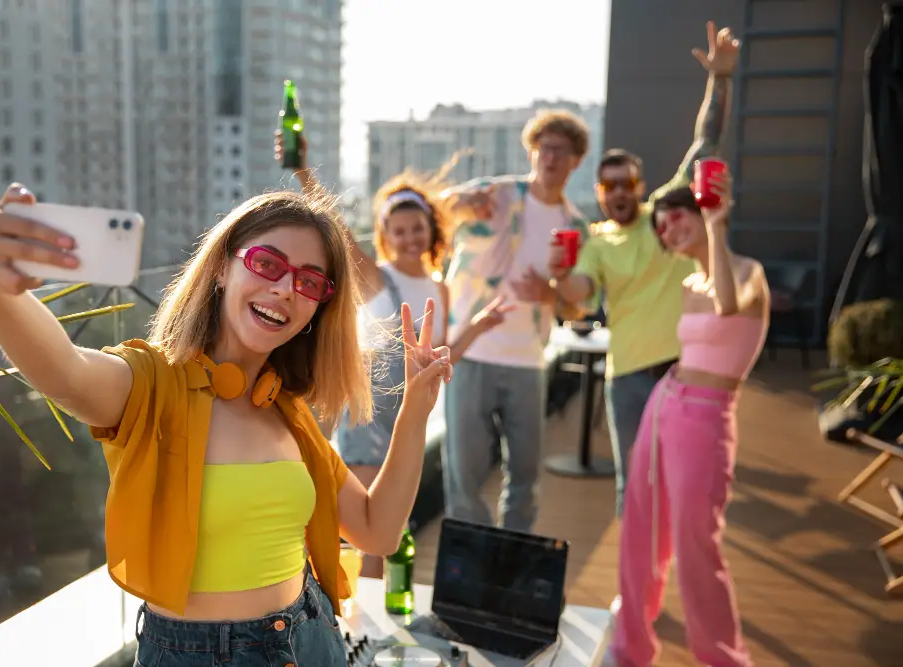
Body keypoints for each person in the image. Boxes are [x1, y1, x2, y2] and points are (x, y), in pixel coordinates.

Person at [0, 182, 452, 667]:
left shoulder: (287, 412)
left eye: (309, 281)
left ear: (319, 307)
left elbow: (377, 531)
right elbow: (66, 373)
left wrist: (416, 409)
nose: (283, 290)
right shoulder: (152, 387)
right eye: (267, 263)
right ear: (221, 269)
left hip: (312, 637)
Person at [275, 133, 513, 577]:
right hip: (367, 416)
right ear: (384, 236)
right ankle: (358, 628)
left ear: (431, 230)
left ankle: (366, 623)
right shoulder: (375, 279)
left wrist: (476, 327)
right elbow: (336, 229)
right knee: (370, 534)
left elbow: (440, 360)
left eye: (416, 228)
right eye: (397, 231)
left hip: (409, 420)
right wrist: (303, 170)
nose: (408, 237)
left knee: (390, 527)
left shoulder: (439, 288)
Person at [548, 21, 740, 514]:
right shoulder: (596, 242)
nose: (616, 192)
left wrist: (720, 79)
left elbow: (707, 139)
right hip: (629, 376)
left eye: (625, 183)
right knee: (634, 486)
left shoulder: (666, 214)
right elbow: (579, 289)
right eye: (607, 186)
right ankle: (635, 587)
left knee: (690, 480)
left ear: (639, 185)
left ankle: (680, 571)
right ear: (599, 194)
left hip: (686, 369)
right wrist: (557, 274)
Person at [607, 167, 766, 667]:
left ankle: (722, 658)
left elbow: (727, 307)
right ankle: (630, 646)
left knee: (698, 542)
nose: (667, 230)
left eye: (674, 217)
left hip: (707, 418)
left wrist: (717, 226)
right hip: (666, 404)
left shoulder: (746, 273)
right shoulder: (688, 280)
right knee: (640, 529)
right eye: (660, 227)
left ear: (701, 209)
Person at [438, 108, 591, 532]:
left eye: (561, 150)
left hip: (528, 360)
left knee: (525, 478)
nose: (550, 157)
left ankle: (511, 562)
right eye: (542, 147)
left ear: (576, 160)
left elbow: (579, 307)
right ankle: (470, 562)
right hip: (471, 351)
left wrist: (553, 293)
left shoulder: (576, 226)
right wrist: (462, 203)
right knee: (463, 476)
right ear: (531, 152)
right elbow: (436, 210)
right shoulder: (498, 194)